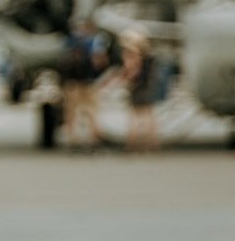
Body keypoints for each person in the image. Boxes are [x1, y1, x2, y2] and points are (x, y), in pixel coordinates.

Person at [57, 17, 110, 150]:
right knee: (91, 111)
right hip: (89, 81)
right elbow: (100, 61)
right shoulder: (95, 41)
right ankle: (94, 139)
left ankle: (72, 139)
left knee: (71, 112)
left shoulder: (70, 40)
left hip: (72, 82)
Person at [117, 28, 163, 153]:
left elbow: (131, 68)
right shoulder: (147, 53)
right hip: (147, 84)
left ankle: (132, 143)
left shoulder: (131, 53)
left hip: (137, 85)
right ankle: (151, 143)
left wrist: (127, 81)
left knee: (134, 115)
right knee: (148, 114)